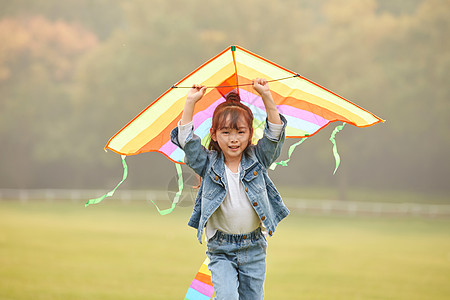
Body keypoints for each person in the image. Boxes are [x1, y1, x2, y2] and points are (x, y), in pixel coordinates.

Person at [170, 78, 290, 300]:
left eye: (240, 132)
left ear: (249, 135)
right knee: (227, 297)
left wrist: (266, 95)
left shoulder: (258, 159)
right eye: (226, 133)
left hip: (254, 247)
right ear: (214, 135)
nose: (233, 140)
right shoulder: (207, 164)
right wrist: (190, 102)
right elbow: (187, 140)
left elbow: (274, 134)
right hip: (221, 249)